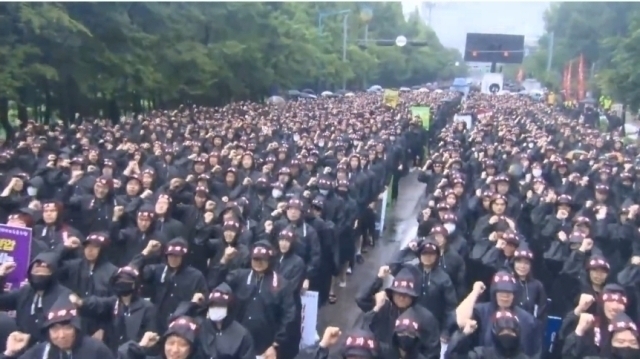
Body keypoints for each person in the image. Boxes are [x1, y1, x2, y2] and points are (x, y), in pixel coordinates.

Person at [2, 295, 114, 358]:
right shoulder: (40, 352)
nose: (61, 335)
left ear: (76, 328)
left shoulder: (97, 350)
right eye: (54, 329)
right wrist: (9, 353)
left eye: (67, 327)